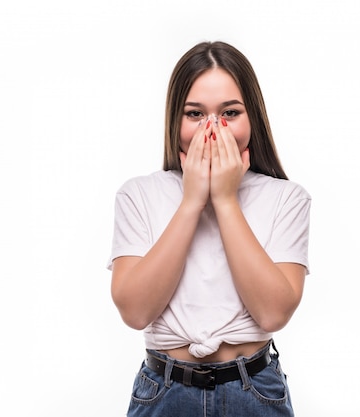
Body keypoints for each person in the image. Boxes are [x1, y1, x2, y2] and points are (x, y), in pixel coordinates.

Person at [107, 41, 311, 417]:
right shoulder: (140, 194)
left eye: (229, 112)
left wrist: (226, 201)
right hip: (164, 391)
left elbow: (273, 314)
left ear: (253, 118)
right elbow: (135, 312)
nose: (212, 129)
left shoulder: (287, 198)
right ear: (175, 120)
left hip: (254, 391)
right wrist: (192, 201)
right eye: (195, 114)